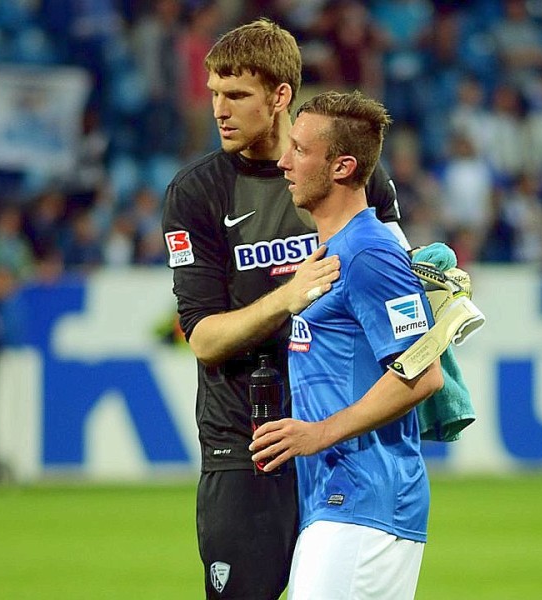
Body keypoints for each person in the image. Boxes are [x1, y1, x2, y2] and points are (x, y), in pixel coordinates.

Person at [161, 18, 407, 600]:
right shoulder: (197, 194)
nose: (219, 109)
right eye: (214, 93)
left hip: (337, 437)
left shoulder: (349, 177)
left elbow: (395, 287)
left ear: (280, 97)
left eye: (237, 95)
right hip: (249, 445)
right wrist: (289, 296)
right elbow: (204, 339)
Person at [250, 90, 444, 600]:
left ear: (342, 166)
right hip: (338, 499)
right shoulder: (336, 251)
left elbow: (423, 373)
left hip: (367, 501)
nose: (285, 162)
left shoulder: (368, 251)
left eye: (299, 150)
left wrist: (318, 434)